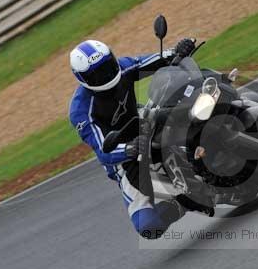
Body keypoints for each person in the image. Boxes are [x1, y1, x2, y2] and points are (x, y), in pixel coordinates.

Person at [68, 38, 209, 239]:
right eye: (98, 74)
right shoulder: (81, 111)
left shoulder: (122, 68)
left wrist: (177, 51)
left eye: (108, 66)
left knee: (178, 102)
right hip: (124, 159)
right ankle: (183, 202)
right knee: (148, 226)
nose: (107, 74)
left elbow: (149, 62)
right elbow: (103, 150)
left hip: (142, 122)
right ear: (83, 79)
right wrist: (129, 149)